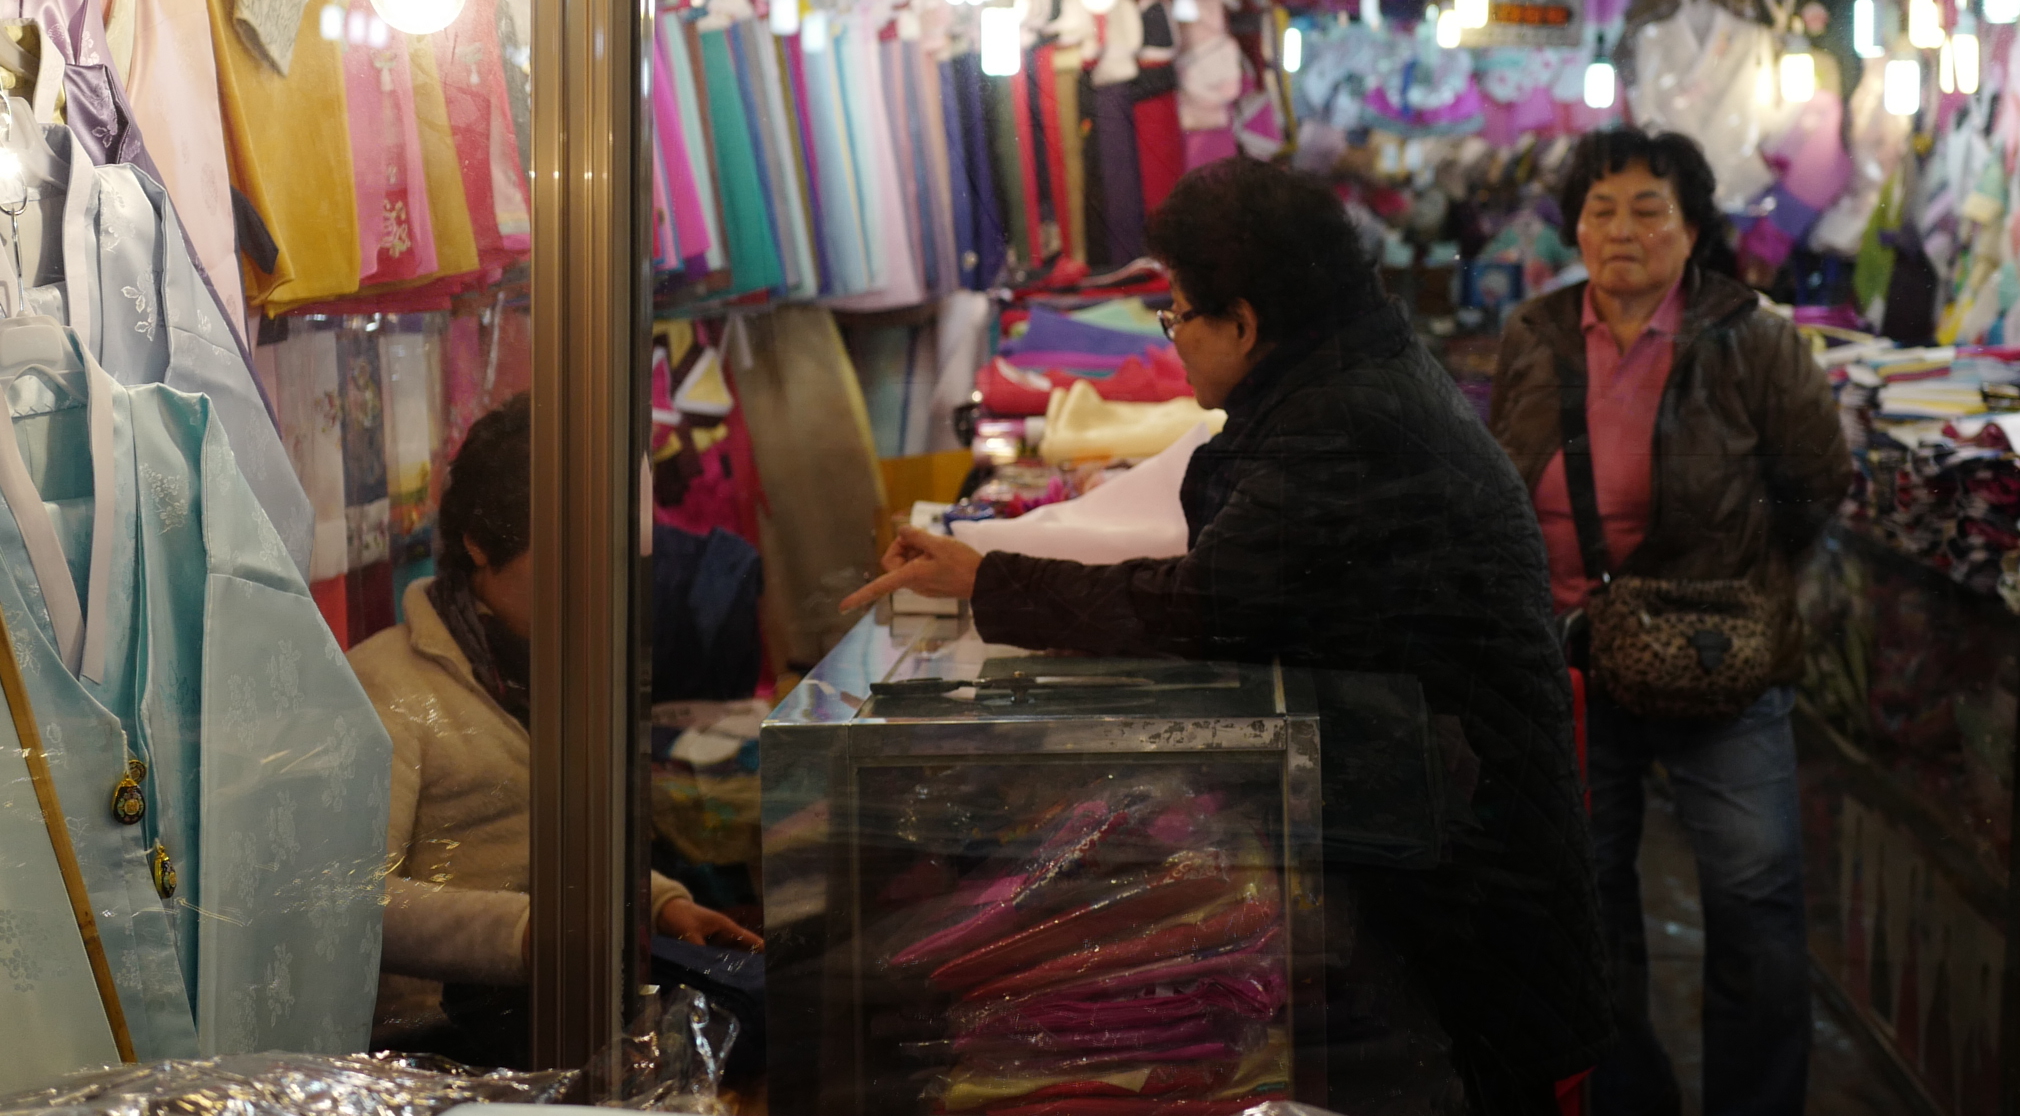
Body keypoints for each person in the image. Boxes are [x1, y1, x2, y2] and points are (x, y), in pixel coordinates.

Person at [842, 157, 1611, 1116]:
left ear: (1244, 323)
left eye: (1176, 317)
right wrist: (996, 565)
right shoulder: (1343, 377)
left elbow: (1208, 603)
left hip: (1468, 887)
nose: (1171, 341)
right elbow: (1237, 551)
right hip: (1444, 824)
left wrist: (990, 579)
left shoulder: (1346, 418)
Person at [1486, 130, 1849, 1116]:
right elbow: (1501, 474)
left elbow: (1818, 477)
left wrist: (1731, 579)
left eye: (1649, 209)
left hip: (1717, 660)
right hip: (1571, 662)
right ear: (1574, 229)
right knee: (1589, 907)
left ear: (1691, 229)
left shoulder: (1751, 339)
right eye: (1600, 210)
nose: (1622, 230)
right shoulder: (1535, 334)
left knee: (1754, 904)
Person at [349, 393, 761, 1062]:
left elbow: (573, 848)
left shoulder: (575, 668)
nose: (592, 584)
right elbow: (352, 898)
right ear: (480, 543)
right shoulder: (384, 685)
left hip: (569, 1015)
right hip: (436, 1050)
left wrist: (658, 905)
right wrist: (525, 934)